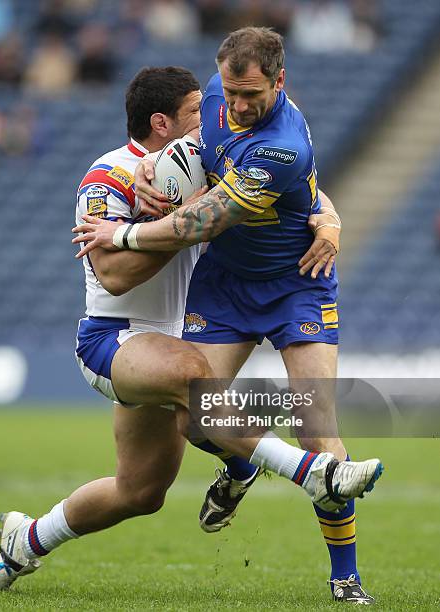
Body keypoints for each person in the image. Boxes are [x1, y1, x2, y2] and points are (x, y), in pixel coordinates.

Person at [72, 28, 381, 605]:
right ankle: (240, 471)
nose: (237, 107)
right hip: (223, 287)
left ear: (280, 81)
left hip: (297, 283)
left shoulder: (282, 145)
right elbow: (189, 158)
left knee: (317, 431)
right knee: (196, 415)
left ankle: (346, 578)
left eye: (251, 97)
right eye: (230, 94)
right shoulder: (215, 93)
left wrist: (125, 232)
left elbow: (204, 221)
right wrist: (151, 171)